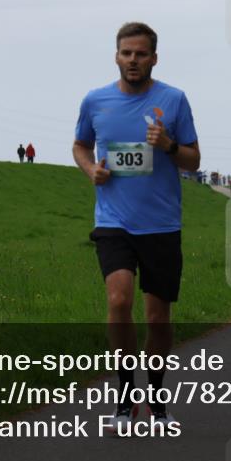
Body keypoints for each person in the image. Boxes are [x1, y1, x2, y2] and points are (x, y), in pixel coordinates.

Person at [73, 21, 200, 431]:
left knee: (158, 318)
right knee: (118, 300)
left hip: (161, 224)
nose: (133, 60)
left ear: (154, 58)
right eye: (126, 53)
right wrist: (90, 169)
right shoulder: (96, 101)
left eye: (141, 54)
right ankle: (125, 401)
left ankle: (157, 403)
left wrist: (168, 146)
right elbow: (80, 145)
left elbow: (193, 160)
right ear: (116, 56)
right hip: (114, 222)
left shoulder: (173, 100)